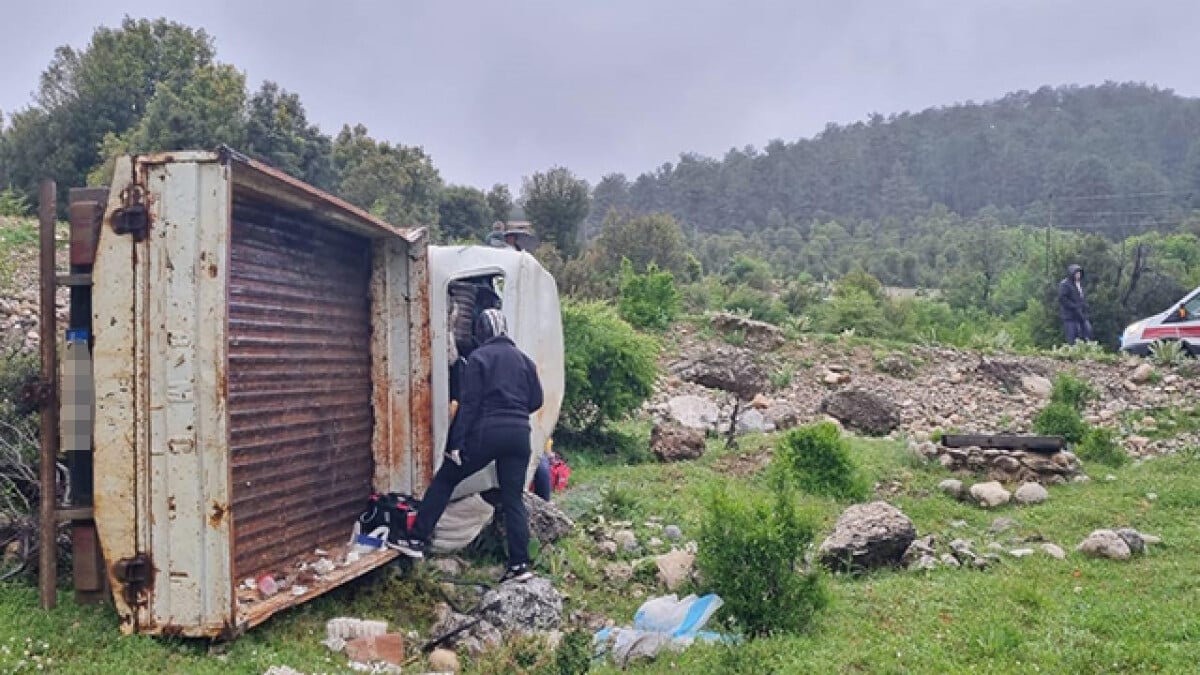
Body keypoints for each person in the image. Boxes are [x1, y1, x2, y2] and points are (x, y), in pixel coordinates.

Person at [394, 309, 544, 583]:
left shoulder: (479, 358)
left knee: (446, 479)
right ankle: (519, 565)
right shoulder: (525, 361)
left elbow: (470, 405)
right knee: (513, 499)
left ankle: (416, 540)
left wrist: (455, 444)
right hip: (520, 436)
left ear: (481, 332)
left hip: (488, 432)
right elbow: (536, 400)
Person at [1058, 263, 1092, 345]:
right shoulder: (1065, 284)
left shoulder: (1079, 284)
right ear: (1071, 273)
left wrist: (1084, 307)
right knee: (1072, 336)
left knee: (1088, 331)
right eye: (1076, 273)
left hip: (1081, 314)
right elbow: (1063, 299)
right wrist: (1074, 306)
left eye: (1079, 273)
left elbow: (1081, 298)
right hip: (1070, 315)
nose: (1078, 275)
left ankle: (1086, 349)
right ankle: (1072, 353)